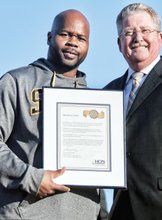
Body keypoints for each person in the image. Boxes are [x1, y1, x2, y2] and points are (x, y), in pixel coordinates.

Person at [0, 9, 107, 220]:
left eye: (80, 38)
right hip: (24, 214)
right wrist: (31, 178)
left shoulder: (96, 103)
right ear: (50, 37)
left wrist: (101, 214)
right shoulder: (16, 82)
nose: (72, 42)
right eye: (65, 34)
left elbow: (97, 166)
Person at [104, 3, 162, 220]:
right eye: (128, 32)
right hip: (120, 210)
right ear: (119, 43)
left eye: (145, 30)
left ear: (160, 38)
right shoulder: (107, 93)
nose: (137, 37)